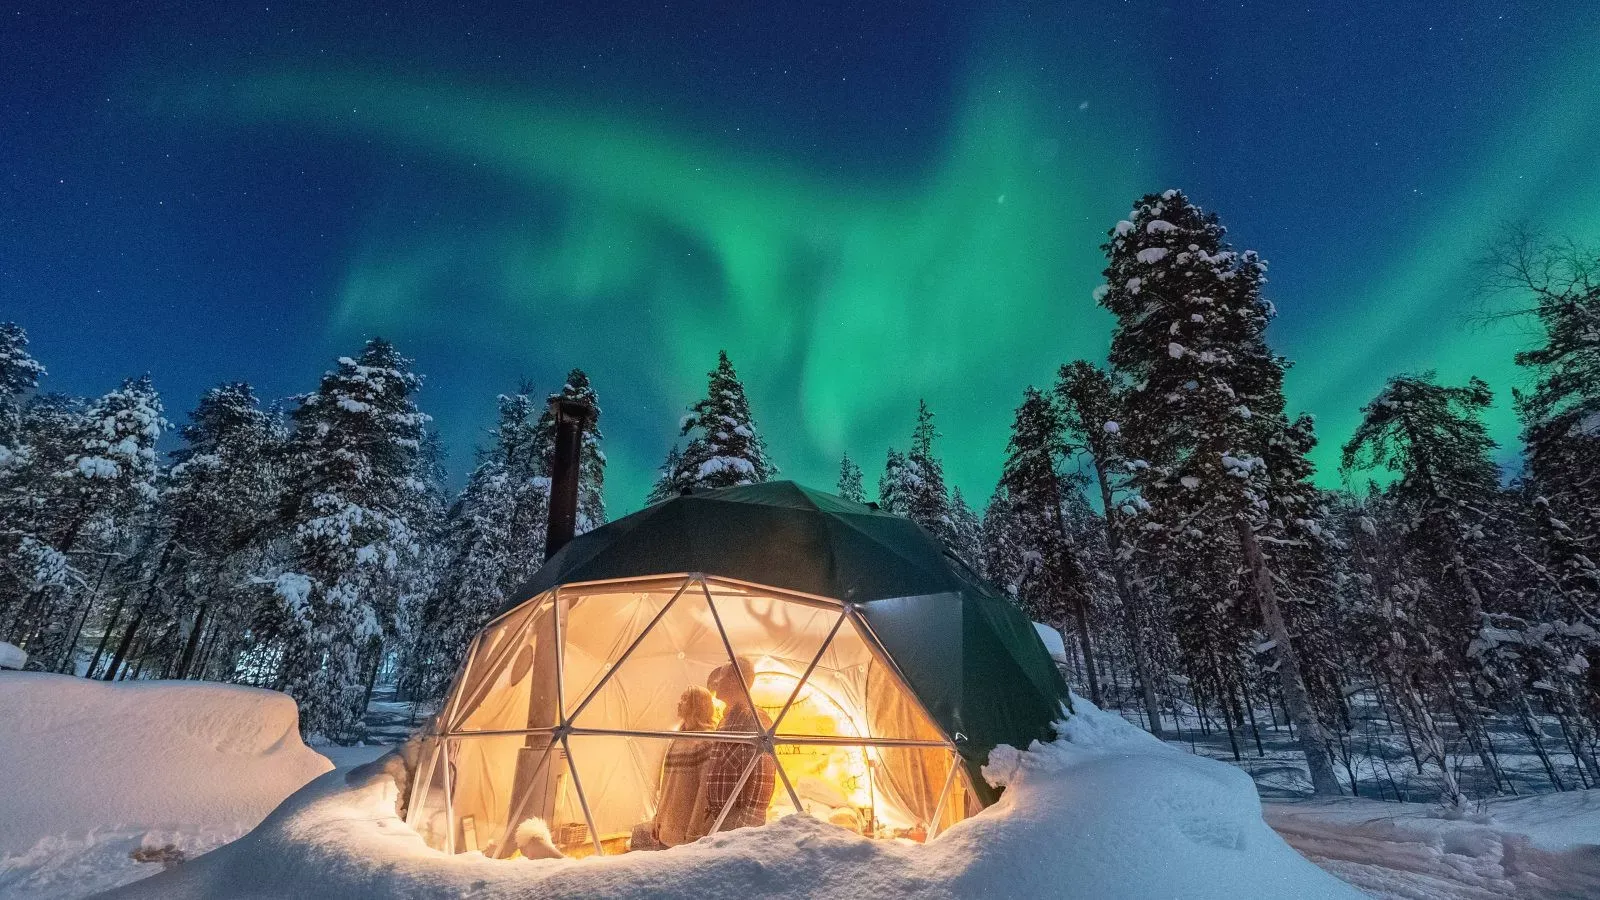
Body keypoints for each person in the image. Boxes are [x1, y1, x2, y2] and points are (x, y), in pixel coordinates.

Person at [700, 658, 777, 833]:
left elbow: (762, 777)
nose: (716, 681)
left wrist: (745, 827)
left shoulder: (755, 719)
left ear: (736, 680)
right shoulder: (725, 720)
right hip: (720, 820)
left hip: (737, 825)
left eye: (722, 676)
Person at [651, 685, 717, 847]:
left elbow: (704, 792)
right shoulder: (676, 739)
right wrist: (657, 818)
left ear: (699, 705)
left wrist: (694, 832)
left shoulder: (706, 741)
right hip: (665, 832)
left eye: (685, 699)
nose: (679, 703)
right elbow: (666, 784)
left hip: (686, 837)